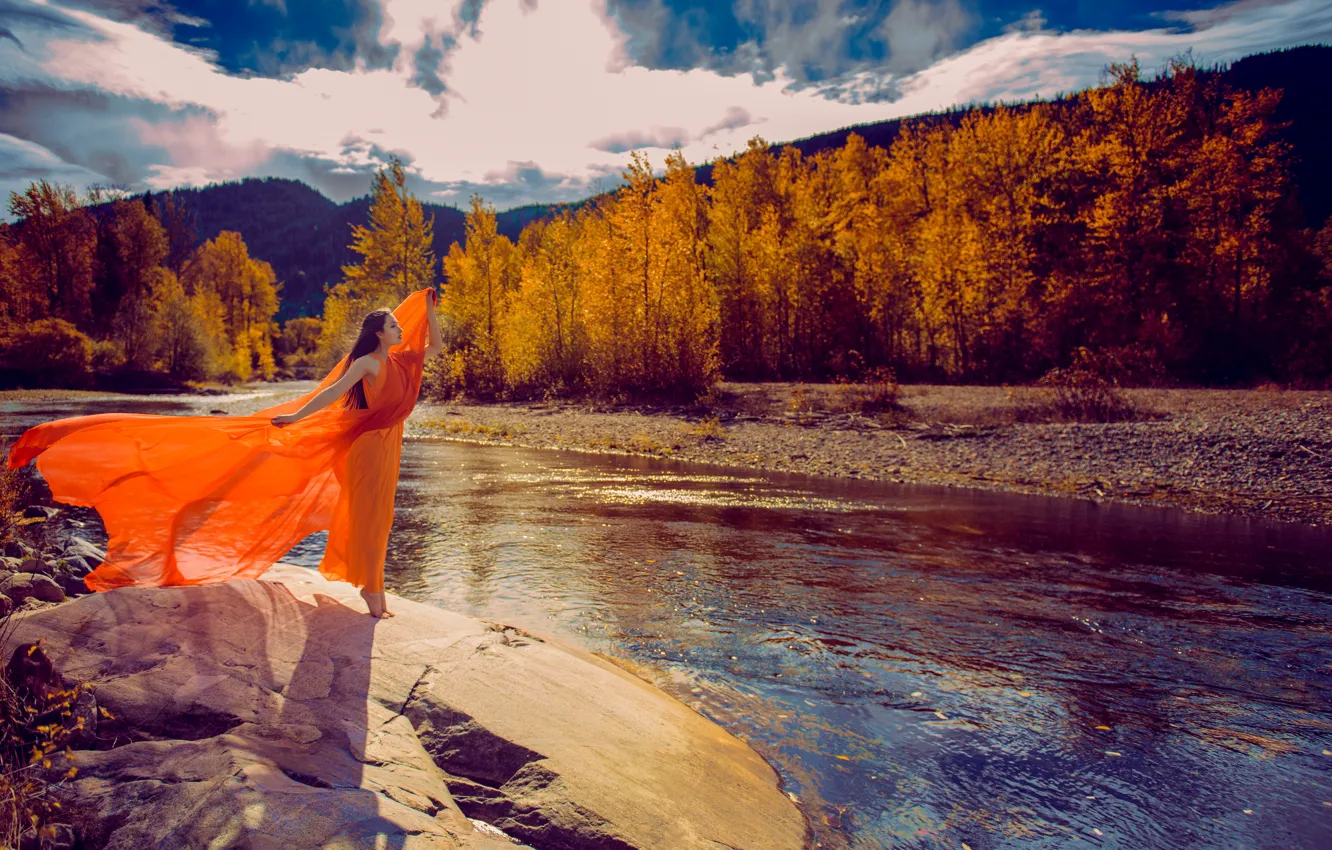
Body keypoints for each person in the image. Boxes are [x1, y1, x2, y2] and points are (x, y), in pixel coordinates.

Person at [7, 288, 442, 619]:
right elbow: (331, 393)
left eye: (400, 326)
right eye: (394, 325)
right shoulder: (368, 362)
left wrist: (430, 309)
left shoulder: (402, 360)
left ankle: (372, 588)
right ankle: (373, 592)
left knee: (380, 515)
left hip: (388, 447)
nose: (401, 330)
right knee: (369, 515)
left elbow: (434, 347)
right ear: (379, 332)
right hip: (366, 449)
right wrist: (294, 417)